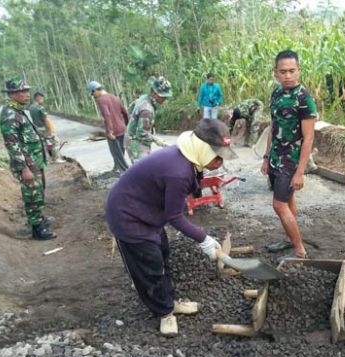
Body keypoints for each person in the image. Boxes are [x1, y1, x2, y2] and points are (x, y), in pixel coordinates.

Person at [105, 119, 238, 336]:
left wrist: (203, 238)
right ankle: (164, 313)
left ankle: (169, 301)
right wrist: (203, 239)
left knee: (163, 254)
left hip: (148, 211)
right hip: (128, 216)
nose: (220, 162)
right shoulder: (178, 171)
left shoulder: (188, 159)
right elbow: (174, 216)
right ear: (203, 149)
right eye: (218, 155)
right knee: (150, 267)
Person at [261, 50, 317, 260]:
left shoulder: (304, 99)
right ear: (276, 73)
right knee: (288, 198)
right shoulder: (276, 94)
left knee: (279, 204)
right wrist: (266, 158)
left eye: (292, 71)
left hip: (291, 160)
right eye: (283, 71)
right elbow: (273, 126)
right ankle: (288, 238)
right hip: (276, 157)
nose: (288, 75)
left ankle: (299, 251)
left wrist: (300, 172)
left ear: (298, 71)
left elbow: (308, 138)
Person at [0, 76, 56, 240]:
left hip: (34, 161)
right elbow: (12, 145)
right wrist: (24, 168)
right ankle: (37, 229)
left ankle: (40, 219)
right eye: (23, 91)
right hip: (27, 164)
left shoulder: (18, 111)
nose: (27, 94)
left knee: (38, 191)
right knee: (32, 194)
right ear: (12, 94)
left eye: (27, 90)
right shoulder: (9, 115)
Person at [124, 76, 171, 163]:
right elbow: (141, 134)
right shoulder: (147, 110)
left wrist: (133, 122)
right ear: (154, 94)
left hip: (131, 138)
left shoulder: (144, 97)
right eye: (163, 97)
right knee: (143, 169)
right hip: (136, 143)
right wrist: (156, 139)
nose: (164, 100)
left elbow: (130, 109)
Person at [87, 81, 130, 173]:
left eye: (92, 93)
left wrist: (110, 131)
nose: (93, 96)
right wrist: (127, 124)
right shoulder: (115, 97)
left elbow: (107, 115)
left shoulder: (101, 100)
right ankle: (116, 168)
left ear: (95, 90)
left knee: (117, 154)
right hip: (122, 129)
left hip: (114, 131)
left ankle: (125, 172)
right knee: (120, 151)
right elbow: (125, 112)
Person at [28, 92, 62, 163]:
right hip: (44, 128)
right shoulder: (40, 108)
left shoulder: (31, 108)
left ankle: (46, 160)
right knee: (56, 142)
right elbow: (45, 120)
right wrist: (51, 131)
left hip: (37, 128)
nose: (43, 101)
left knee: (43, 145)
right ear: (38, 98)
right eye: (42, 99)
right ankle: (55, 159)